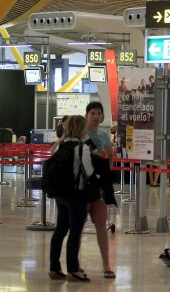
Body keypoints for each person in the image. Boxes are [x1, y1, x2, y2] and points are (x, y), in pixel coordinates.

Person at [49, 115, 94, 282]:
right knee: (75, 232)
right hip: (77, 193)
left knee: (60, 230)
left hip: (60, 193)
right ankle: (73, 269)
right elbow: (89, 171)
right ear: (81, 129)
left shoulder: (61, 145)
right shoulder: (81, 148)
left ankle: (54, 267)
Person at [85, 102, 115, 279]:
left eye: (99, 113)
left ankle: (106, 265)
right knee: (77, 224)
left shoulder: (103, 135)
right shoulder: (80, 132)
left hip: (97, 184)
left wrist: (107, 172)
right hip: (81, 184)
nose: (96, 116)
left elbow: (110, 154)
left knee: (101, 223)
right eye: (93, 113)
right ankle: (75, 264)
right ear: (87, 115)